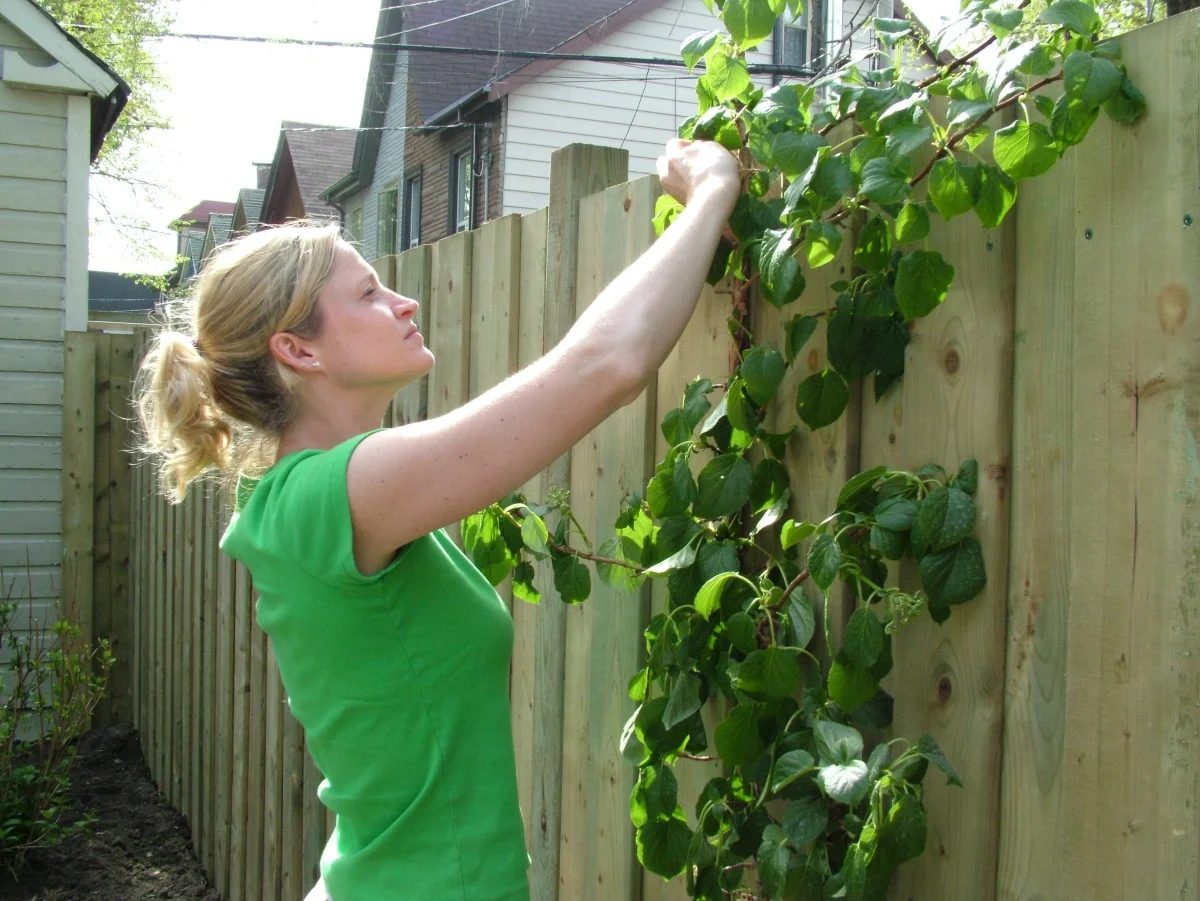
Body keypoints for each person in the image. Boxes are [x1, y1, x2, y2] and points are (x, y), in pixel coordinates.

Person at [136, 138, 740, 901]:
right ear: (296, 349)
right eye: (368, 295)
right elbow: (605, 365)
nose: (404, 302)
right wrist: (715, 186)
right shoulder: (343, 492)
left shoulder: (310, 501)